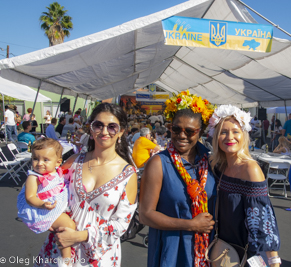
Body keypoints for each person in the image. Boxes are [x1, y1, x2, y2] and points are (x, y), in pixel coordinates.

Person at [34, 103, 138, 267]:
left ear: (121, 132)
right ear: (90, 129)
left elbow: (121, 224)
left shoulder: (127, 174)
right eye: (98, 125)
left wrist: (80, 236)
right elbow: (48, 192)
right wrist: (47, 219)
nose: (104, 132)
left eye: (112, 127)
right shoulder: (73, 162)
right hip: (60, 251)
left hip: (99, 256)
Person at [139, 91, 217, 267]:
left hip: (205, 250)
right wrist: (191, 225)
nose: (182, 135)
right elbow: (145, 215)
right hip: (172, 251)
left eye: (189, 131)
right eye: (176, 129)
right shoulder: (159, 163)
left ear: (200, 132)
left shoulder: (210, 162)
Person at [208, 104, 281, 266]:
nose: (229, 137)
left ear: (244, 135)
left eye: (235, 132)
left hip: (244, 254)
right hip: (221, 249)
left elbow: (264, 216)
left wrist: (274, 260)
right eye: (223, 132)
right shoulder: (218, 165)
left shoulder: (250, 169)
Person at [17, 138, 75, 265]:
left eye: (45, 160)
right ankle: (66, 259)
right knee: (68, 225)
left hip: (56, 203)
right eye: (35, 159)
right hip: (43, 208)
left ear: (58, 162)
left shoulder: (57, 171)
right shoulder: (34, 177)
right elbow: (30, 197)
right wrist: (42, 204)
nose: (39, 163)